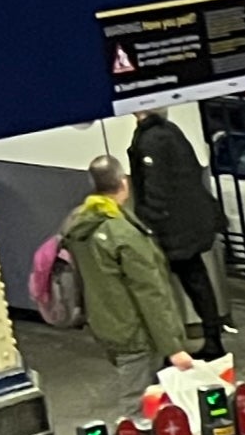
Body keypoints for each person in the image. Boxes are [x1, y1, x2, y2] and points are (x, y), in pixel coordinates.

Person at [56, 153, 190, 402]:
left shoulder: (78, 222)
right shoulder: (124, 234)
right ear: (123, 182)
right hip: (136, 331)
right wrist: (174, 348)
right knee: (140, 404)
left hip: (107, 323)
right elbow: (150, 293)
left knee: (142, 396)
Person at [127, 106, 230, 357]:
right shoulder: (169, 131)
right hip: (189, 218)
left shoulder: (151, 139)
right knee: (196, 279)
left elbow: (155, 186)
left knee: (170, 285)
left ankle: (177, 348)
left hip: (172, 224)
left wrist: (148, 221)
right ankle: (212, 336)